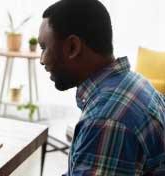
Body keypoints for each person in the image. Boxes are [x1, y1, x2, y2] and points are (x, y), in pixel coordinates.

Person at [38, 0, 165, 175]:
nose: (41, 59)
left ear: (73, 47)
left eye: (44, 47)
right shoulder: (134, 83)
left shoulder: (106, 120)